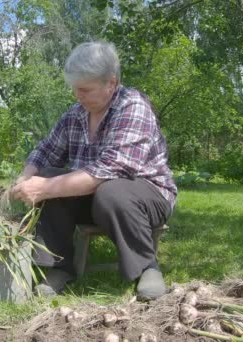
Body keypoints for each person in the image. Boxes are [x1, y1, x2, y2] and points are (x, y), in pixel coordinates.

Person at [11, 41, 177, 301]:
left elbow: (109, 170)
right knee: (51, 177)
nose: (78, 95)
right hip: (97, 194)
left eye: (85, 89)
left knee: (108, 191)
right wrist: (27, 177)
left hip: (144, 196)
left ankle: (147, 267)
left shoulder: (132, 107)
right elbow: (46, 151)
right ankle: (58, 268)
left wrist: (44, 188)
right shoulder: (76, 114)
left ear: (110, 83)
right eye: (75, 89)